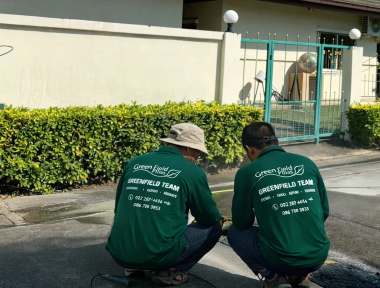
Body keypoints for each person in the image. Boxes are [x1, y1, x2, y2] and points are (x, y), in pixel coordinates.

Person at [106, 123, 223, 286]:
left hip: (119, 254)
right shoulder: (192, 172)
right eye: (198, 153)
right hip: (157, 255)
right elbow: (208, 216)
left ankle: (133, 266)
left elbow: (119, 207)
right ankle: (169, 271)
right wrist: (219, 220)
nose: (197, 158)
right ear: (189, 148)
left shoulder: (135, 162)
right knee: (214, 227)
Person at [228, 122, 329, 288]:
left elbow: (241, 223)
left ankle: (274, 278)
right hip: (318, 257)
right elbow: (324, 211)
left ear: (249, 149)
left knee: (234, 233)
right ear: (277, 142)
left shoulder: (247, 173)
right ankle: (300, 277)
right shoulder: (307, 163)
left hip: (281, 260)